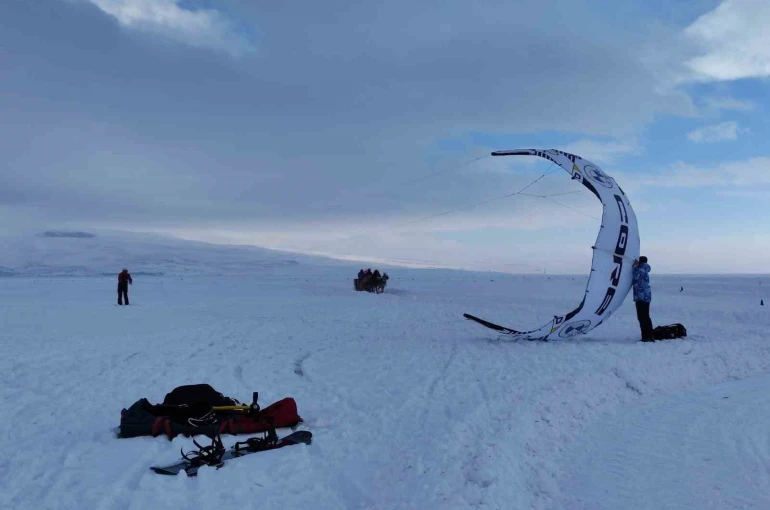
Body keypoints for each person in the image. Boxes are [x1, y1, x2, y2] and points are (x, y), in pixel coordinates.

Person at [632, 256, 654, 341]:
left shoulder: (642, 268)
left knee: (643, 317)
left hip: (642, 296)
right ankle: (648, 335)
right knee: (644, 316)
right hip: (644, 295)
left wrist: (634, 266)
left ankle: (647, 336)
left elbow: (636, 277)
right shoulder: (644, 268)